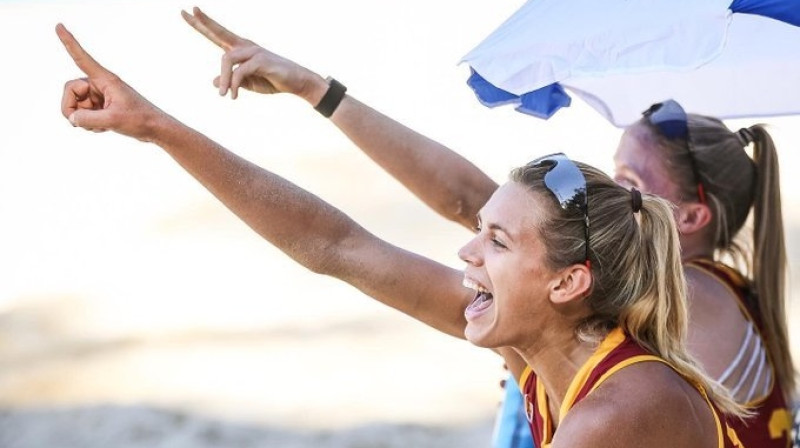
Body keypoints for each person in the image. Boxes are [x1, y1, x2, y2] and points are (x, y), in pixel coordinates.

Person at [56, 18, 746, 447]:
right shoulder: (540, 346)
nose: (465, 249)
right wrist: (155, 127)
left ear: (568, 282)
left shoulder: (618, 408)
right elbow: (338, 246)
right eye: (481, 231)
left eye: (497, 242)